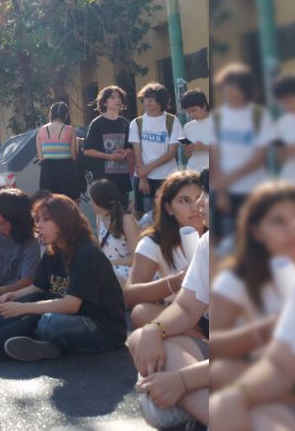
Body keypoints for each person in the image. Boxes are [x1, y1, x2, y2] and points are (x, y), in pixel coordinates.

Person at [0, 193, 127, 361]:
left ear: (64, 222)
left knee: (48, 322)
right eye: (37, 220)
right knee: (34, 312)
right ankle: (51, 347)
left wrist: (22, 308)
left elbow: (71, 304)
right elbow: (37, 287)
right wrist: (13, 296)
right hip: (73, 319)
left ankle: (47, 341)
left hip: (104, 328)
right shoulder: (53, 251)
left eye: (45, 220)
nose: (39, 226)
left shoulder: (86, 253)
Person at [126, 169, 211, 428]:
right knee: (141, 333)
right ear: (169, 208)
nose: (198, 204)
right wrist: (155, 329)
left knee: (161, 408)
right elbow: (185, 306)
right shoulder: (210, 243)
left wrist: (182, 381)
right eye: (185, 200)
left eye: (205, 194)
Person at [210, 182, 295, 390]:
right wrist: (269, 329)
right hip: (273, 388)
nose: (291, 229)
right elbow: (213, 347)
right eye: (278, 221)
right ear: (257, 231)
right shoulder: (236, 281)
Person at [124, 170, 207, 329]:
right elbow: (130, 296)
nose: (195, 206)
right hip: (185, 318)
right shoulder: (155, 242)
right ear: (169, 208)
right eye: (184, 200)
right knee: (141, 313)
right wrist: (177, 281)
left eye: (199, 198)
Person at [211, 62, 276, 239]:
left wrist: (228, 179)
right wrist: (222, 190)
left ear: (246, 89)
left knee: (256, 238)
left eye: (234, 86)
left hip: (254, 190)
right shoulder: (217, 117)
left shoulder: (260, 115)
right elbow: (215, 156)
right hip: (225, 191)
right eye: (225, 86)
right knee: (227, 240)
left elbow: (260, 158)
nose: (228, 91)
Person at [128, 82, 182, 219]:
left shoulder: (172, 121)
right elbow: (137, 151)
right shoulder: (136, 123)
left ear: (161, 101)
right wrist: (143, 177)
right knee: (142, 216)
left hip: (167, 177)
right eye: (146, 97)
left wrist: (149, 168)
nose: (148, 100)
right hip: (143, 177)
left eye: (153, 97)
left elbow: (171, 152)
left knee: (168, 214)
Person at [83, 85, 133, 209]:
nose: (117, 100)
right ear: (104, 102)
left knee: (122, 212)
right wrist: (110, 156)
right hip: (103, 179)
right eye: (113, 97)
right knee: (104, 212)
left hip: (121, 178)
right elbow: (87, 150)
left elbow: (130, 147)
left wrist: (125, 152)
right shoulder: (97, 123)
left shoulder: (124, 123)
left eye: (119, 97)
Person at [88, 179, 140, 286]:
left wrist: (109, 263)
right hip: (109, 269)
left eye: (92, 199)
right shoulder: (100, 217)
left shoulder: (127, 220)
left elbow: (137, 258)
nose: (91, 203)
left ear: (99, 200)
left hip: (126, 272)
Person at [36, 102, 80, 200]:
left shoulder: (41, 130)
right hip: (66, 170)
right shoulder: (70, 129)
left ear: (51, 114)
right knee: (70, 202)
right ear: (66, 115)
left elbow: (41, 157)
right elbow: (74, 154)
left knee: (48, 203)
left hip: (47, 172)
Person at [178, 89, 213, 173]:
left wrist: (205, 147)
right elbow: (187, 155)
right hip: (193, 172)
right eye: (188, 112)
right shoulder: (187, 127)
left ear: (204, 105)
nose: (192, 115)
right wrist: (188, 151)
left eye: (194, 110)